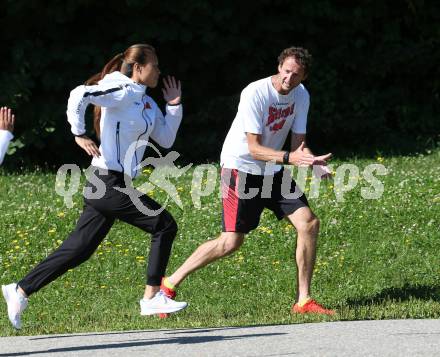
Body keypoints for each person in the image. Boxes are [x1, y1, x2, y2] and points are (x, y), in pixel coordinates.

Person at [2, 44, 187, 330]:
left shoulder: (146, 102)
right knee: (163, 224)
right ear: (139, 67)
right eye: (155, 65)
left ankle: (20, 290)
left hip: (113, 185)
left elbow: (165, 139)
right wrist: (79, 133)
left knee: (79, 249)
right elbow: (80, 94)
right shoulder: (120, 90)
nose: (159, 71)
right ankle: (151, 297)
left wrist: (173, 105)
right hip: (107, 183)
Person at [160, 47, 335, 315]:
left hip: (273, 171)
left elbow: (298, 147)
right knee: (230, 242)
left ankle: (304, 301)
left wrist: (313, 164)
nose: (289, 78)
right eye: (286, 71)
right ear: (279, 67)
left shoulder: (301, 96)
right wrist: (292, 158)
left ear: (304, 76)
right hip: (240, 168)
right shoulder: (256, 92)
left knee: (309, 224)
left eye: (296, 74)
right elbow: (255, 149)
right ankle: (169, 284)